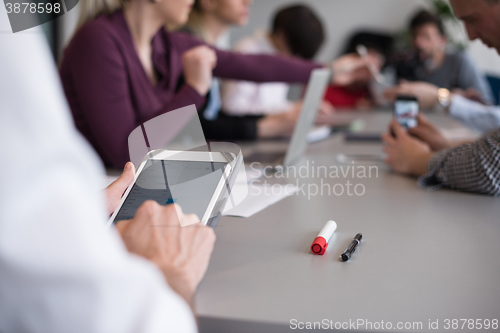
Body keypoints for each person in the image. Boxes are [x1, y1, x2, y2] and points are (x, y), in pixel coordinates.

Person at [0, 7, 216, 333]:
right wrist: (172, 275)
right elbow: (105, 318)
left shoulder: (163, 45)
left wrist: (84, 207)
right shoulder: (97, 39)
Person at [59, 0, 371, 169]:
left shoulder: (167, 44)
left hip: (140, 188)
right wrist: (194, 89)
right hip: (96, 202)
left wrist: (328, 69)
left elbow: (253, 65)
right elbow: (123, 153)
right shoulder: (97, 41)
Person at [382, 0, 500, 196]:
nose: (470, 36)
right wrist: (446, 145)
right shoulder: (412, 65)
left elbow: (492, 166)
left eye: (472, 19)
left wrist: (418, 160)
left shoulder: (459, 61)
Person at [221, 4, 325, 117]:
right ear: (282, 35)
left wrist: (296, 108)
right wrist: (287, 109)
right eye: (295, 53)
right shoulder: (246, 51)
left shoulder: (279, 54)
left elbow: (274, 103)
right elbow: (231, 106)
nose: (295, 60)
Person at [389, 9, 492, 105]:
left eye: (426, 37)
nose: (419, 43)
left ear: (442, 40)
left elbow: (486, 104)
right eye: (415, 36)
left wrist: (448, 97)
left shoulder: (459, 61)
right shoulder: (410, 65)